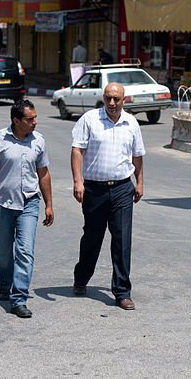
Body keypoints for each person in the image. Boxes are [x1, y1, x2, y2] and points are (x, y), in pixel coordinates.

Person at [71, 82, 145, 310]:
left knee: (122, 241)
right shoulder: (89, 120)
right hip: (95, 189)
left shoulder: (131, 122)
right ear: (103, 99)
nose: (111, 103)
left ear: (124, 101)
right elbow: (77, 150)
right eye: (108, 98)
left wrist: (140, 182)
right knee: (92, 238)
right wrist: (78, 181)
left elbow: (138, 155)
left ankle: (122, 292)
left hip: (123, 188)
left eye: (116, 99)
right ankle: (81, 278)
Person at [0, 99, 54, 318]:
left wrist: (49, 204)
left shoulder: (38, 141)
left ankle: (19, 298)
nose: (35, 122)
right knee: (4, 252)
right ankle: (5, 284)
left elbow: (43, 173)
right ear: (16, 120)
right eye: (30, 119)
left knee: (25, 251)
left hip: (29, 203)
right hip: (2, 204)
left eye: (35, 118)